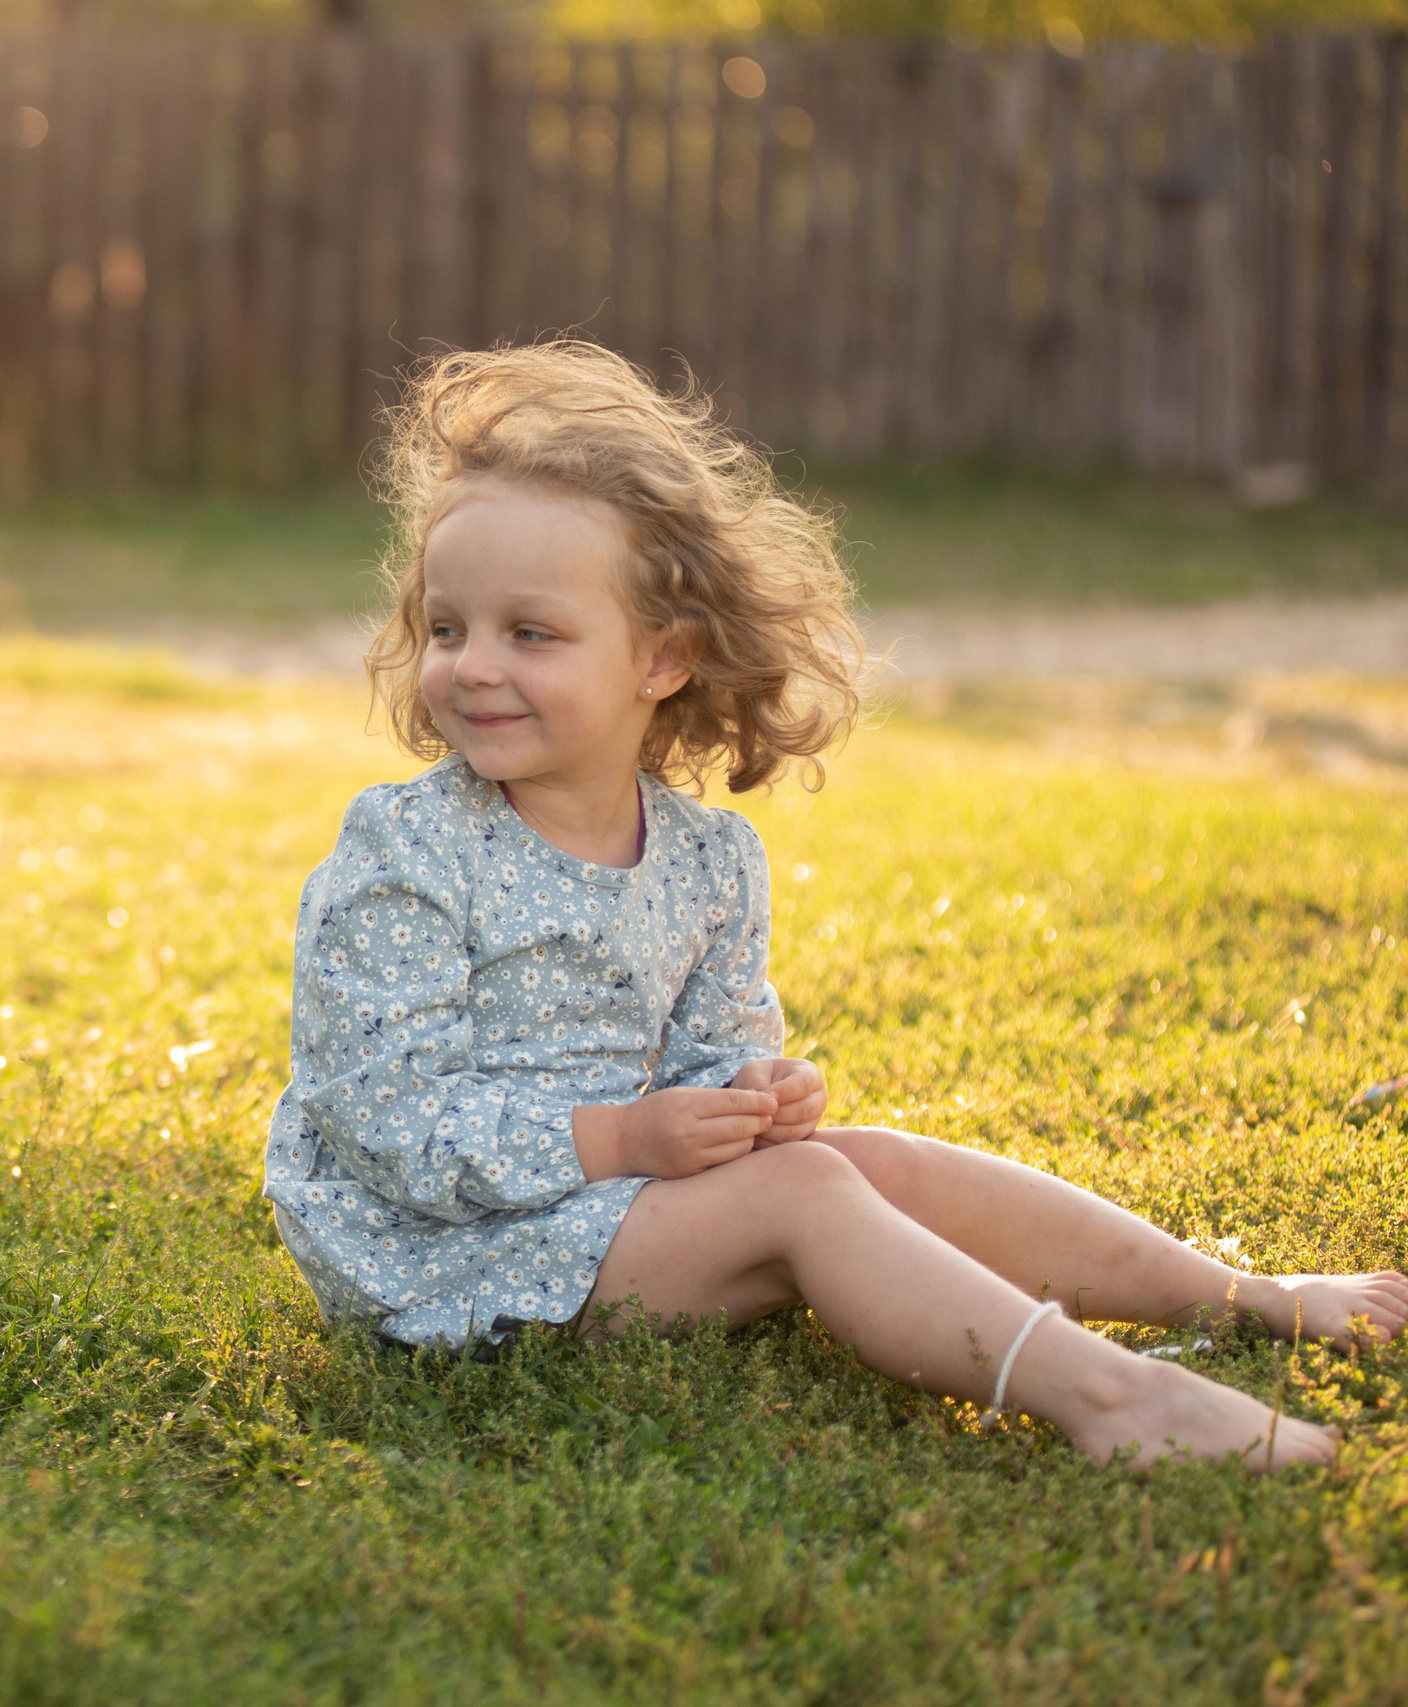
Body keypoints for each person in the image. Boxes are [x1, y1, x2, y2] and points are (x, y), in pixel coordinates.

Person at [262, 341, 1406, 1470]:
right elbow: (384, 1120)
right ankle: (1109, 1398)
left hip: (619, 1213)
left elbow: (713, 1049)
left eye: (532, 634)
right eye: (448, 628)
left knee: (863, 1162)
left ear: (661, 658)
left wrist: (749, 1096)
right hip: (443, 1258)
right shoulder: (405, 852)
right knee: (810, 1195)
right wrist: (621, 1139)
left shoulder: (708, 858)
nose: (471, 667)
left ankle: (1241, 1294)